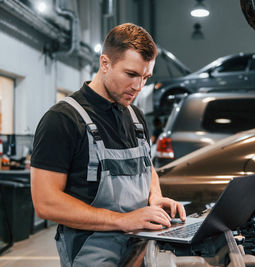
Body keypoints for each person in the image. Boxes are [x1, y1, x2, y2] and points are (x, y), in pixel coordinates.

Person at [30, 23, 186, 266]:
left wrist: (155, 197)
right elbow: (45, 202)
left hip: (141, 248)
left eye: (145, 77)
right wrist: (122, 220)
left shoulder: (135, 116)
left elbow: (146, 167)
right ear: (105, 63)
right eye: (131, 74)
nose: (138, 86)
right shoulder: (63, 120)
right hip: (92, 253)